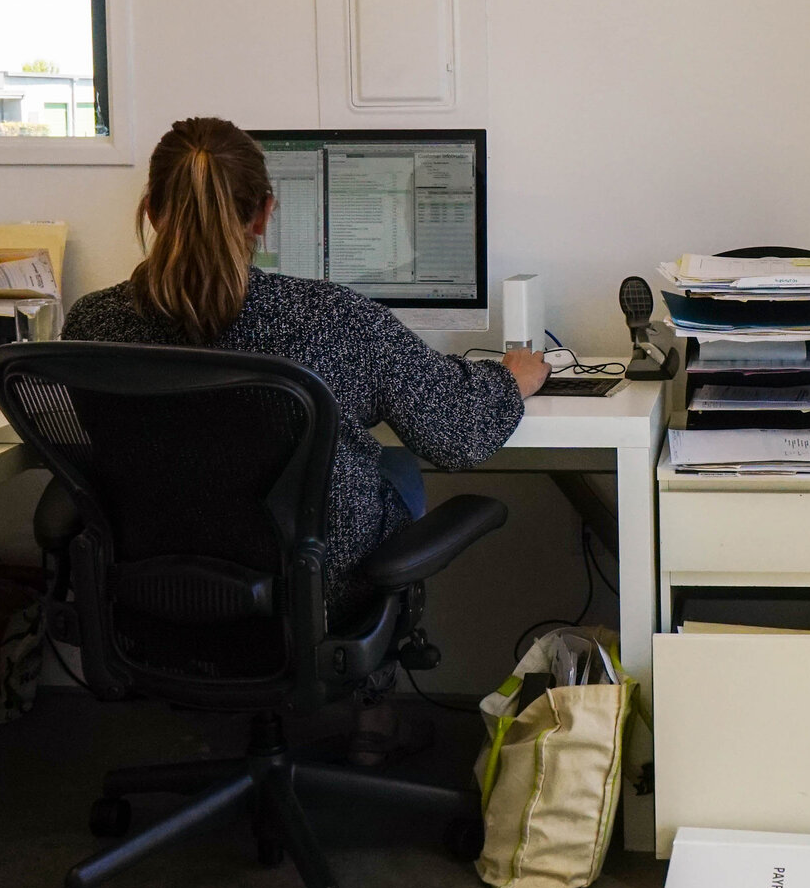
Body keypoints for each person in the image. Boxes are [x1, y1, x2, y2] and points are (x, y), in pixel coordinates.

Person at [62, 116, 547, 589]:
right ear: (265, 214)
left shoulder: (90, 324)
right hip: (314, 603)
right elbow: (456, 435)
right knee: (394, 466)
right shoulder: (332, 318)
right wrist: (511, 379)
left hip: (148, 602)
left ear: (150, 212)